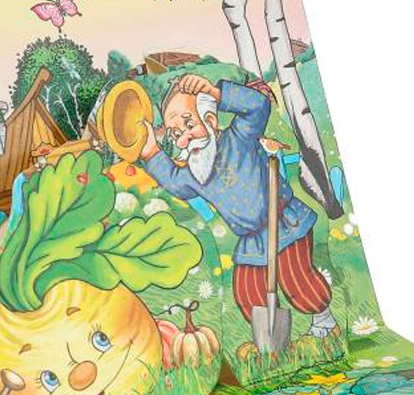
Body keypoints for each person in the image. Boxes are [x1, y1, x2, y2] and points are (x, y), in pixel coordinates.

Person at [139, 74, 338, 337]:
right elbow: (175, 182)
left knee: (295, 279)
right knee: (247, 290)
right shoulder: (195, 172)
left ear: (210, 120)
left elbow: (258, 107)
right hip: (251, 239)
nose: (184, 139)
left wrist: (216, 92)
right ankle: (271, 343)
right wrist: (151, 153)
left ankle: (324, 322)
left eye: (189, 125)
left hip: (284, 223)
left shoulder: (239, 137)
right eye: (176, 134)